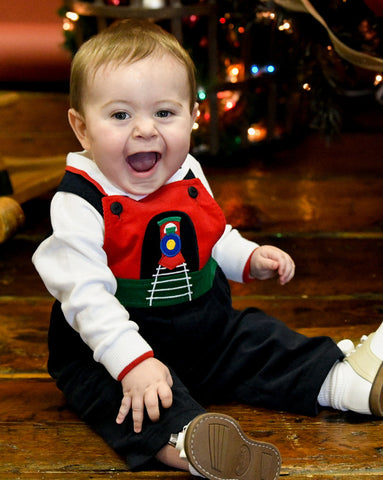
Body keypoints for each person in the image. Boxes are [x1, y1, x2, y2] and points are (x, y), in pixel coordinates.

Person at [32, 18, 383, 480]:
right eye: (119, 115)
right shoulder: (79, 203)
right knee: (126, 399)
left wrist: (247, 257)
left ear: (193, 117)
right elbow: (87, 298)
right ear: (81, 128)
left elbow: (212, 234)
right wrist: (133, 363)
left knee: (258, 339)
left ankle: (347, 383)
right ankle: (191, 442)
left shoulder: (187, 170)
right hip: (111, 345)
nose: (144, 130)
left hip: (206, 331)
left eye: (164, 113)